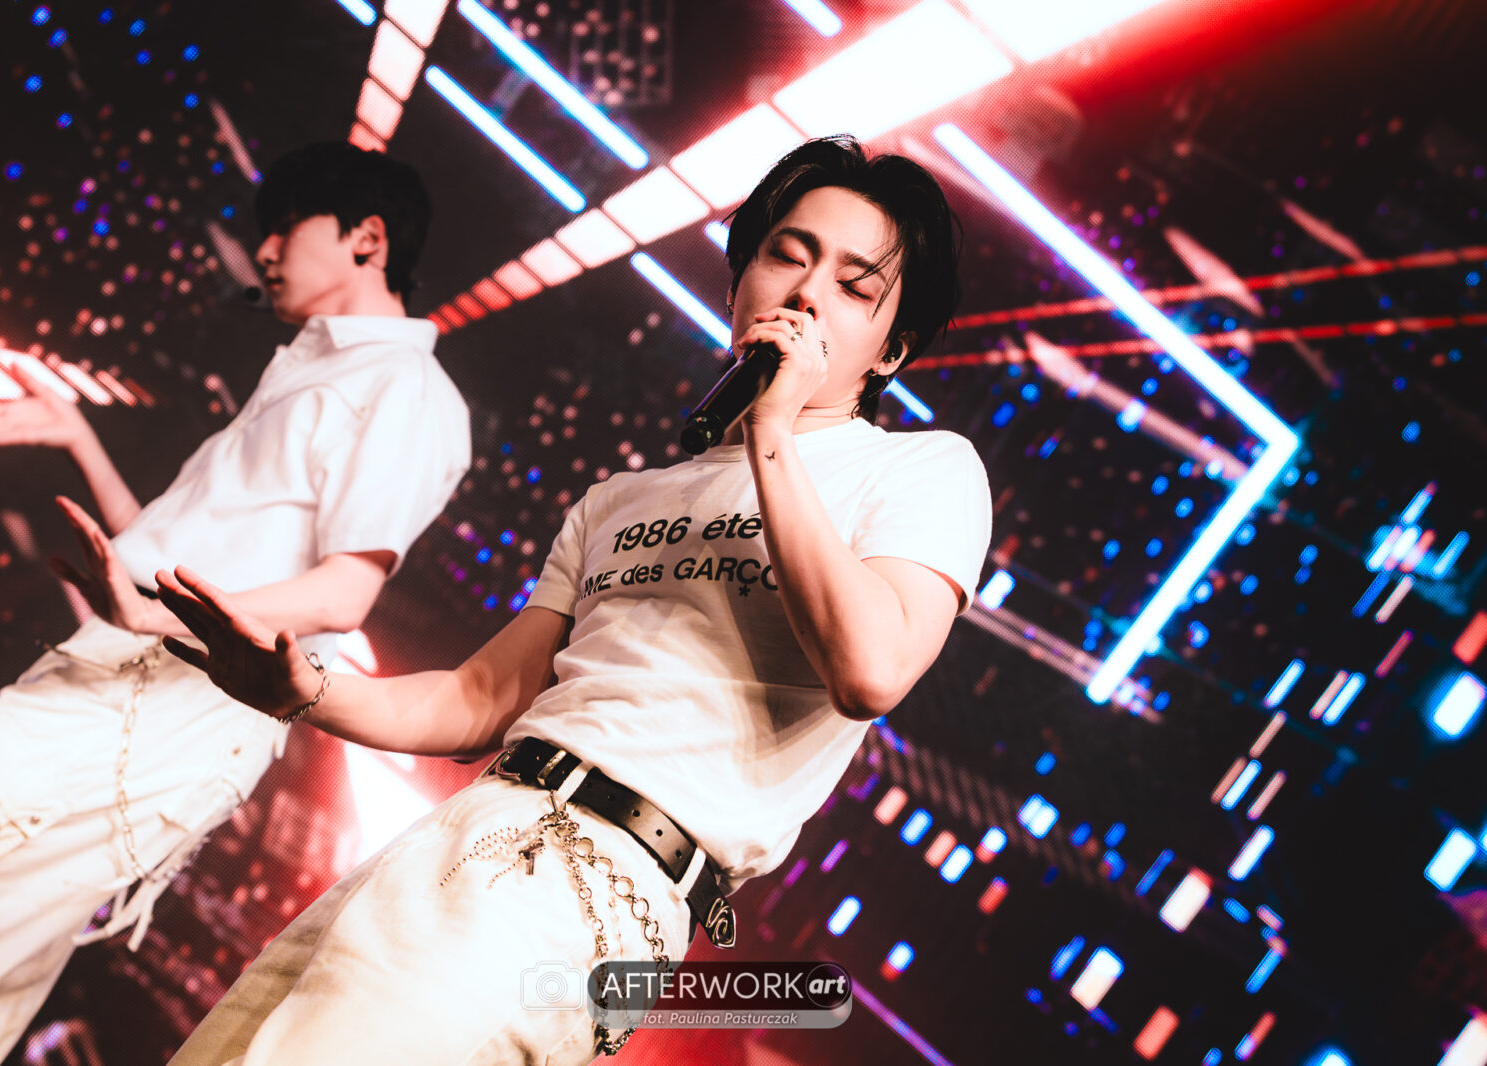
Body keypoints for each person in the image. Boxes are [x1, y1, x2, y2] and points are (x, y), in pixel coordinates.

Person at [158, 134, 991, 1066]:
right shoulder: (618, 501)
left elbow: (869, 670)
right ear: (737, 286)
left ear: (892, 349)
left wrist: (773, 430)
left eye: (853, 286)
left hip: (602, 879)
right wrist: (304, 691)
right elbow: (481, 699)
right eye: (787, 257)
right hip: (464, 827)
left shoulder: (922, 471)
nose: (805, 294)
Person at [0, 142, 471, 1066]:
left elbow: (343, 592)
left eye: (286, 226)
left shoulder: (405, 389)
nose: (264, 252)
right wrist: (80, 439)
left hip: (171, 715)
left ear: (367, 239)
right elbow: (168, 560)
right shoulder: (307, 369)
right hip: (123, 680)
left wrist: (152, 615)